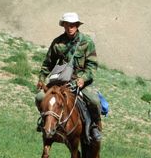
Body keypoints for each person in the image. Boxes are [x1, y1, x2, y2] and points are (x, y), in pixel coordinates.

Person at [35, 12, 102, 142]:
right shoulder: (57, 43)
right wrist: (42, 78)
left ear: (77, 26)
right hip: (59, 83)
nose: (70, 28)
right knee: (39, 97)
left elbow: (92, 66)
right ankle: (44, 121)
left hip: (80, 83)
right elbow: (48, 63)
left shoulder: (87, 42)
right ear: (64, 25)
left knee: (94, 101)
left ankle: (94, 127)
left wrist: (83, 79)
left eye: (73, 25)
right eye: (67, 25)